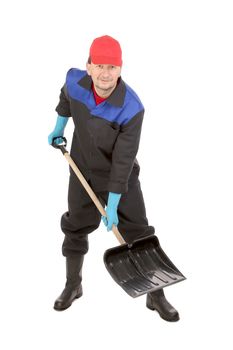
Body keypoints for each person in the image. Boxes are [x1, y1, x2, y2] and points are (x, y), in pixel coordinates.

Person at [48, 35, 179, 322]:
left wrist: (113, 202)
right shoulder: (74, 82)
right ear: (89, 66)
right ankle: (73, 284)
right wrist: (58, 127)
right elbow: (65, 99)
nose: (106, 74)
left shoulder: (131, 107)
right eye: (100, 66)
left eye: (113, 67)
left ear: (120, 69)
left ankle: (155, 295)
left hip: (120, 178)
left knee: (139, 232)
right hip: (81, 170)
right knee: (75, 225)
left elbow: (123, 159)